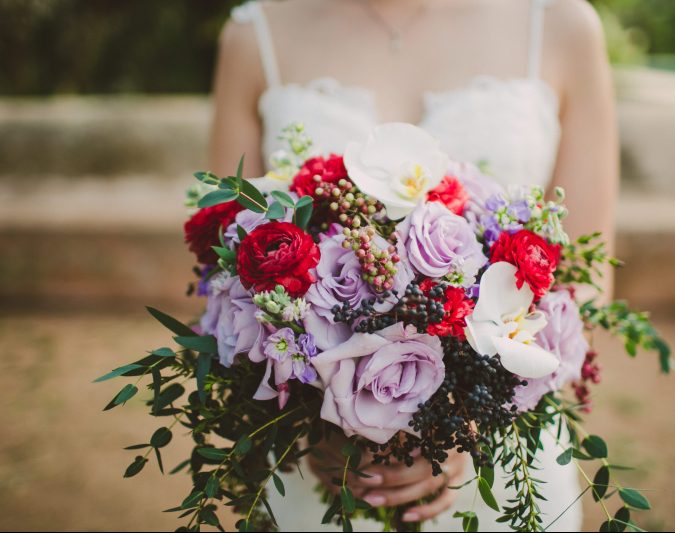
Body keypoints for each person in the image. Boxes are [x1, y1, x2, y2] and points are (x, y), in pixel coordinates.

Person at [209, 0, 618, 530]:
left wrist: (465, 425)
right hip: (320, 466)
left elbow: (588, 282)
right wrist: (319, 420)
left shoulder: (562, 25)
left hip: (498, 463)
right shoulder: (254, 33)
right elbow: (227, 265)